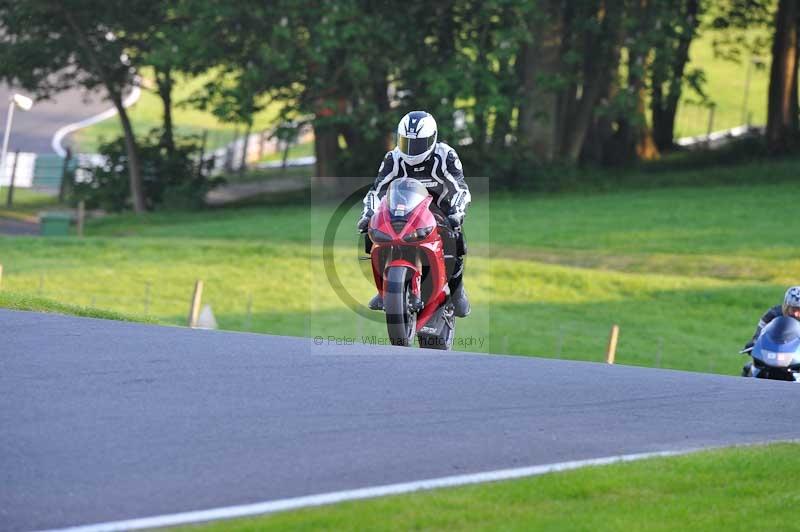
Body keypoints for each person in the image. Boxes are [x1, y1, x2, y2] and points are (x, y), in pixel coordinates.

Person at [357, 110, 471, 317]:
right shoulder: (393, 157)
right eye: (406, 142)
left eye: (417, 144)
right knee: (372, 232)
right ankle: (384, 290)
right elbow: (378, 189)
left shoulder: (446, 155)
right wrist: (368, 214)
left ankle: (457, 291)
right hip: (403, 211)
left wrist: (457, 211)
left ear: (432, 139)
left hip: (440, 212)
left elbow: (459, 186)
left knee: (456, 241)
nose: (411, 149)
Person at [742, 286, 800, 352]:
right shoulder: (774, 313)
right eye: (794, 309)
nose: (796, 314)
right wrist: (755, 342)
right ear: (786, 306)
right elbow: (761, 329)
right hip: (776, 352)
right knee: (752, 362)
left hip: (797, 354)